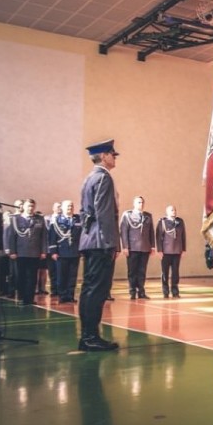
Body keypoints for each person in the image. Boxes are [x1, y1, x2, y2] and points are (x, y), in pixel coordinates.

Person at [77, 139, 121, 351]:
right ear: (103, 156)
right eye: (112, 154)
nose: (114, 157)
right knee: (97, 290)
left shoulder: (89, 178)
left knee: (89, 289)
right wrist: (110, 244)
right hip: (100, 242)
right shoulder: (104, 178)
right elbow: (104, 214)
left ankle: (87, 335)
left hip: (89, 240)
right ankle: (90, 337)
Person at [5, 199, 47, 305]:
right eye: (28, 206)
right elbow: (12, 236)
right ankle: (22, 297)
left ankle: (30, 298)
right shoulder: (15, 219)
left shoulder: (39, 219)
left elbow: (43, 237)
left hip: (34, 252)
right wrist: (12, 251)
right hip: (21, 252)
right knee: (21, 276)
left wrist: (43, 251)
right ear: (23, 207)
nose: (30, 208)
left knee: (32, 277)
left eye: (32, 206)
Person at [120, 196, 155, 299]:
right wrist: (125, 246)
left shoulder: (148, 216)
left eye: (142, 202)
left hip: (145, 247)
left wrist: (152, 246)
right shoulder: (127, 215)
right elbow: (123, 231)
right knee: (132, 271)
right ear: (134, 204)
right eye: (139, 202)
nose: (141, 204)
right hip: (132, 247)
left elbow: (151, 232)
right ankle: (132, 291)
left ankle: (141, 291)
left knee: (142, 271)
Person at [48, 199, 82, 303]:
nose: (69, 207)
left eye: (71, 205)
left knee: (72, 276)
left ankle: (70, 295)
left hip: (75, 251)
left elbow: (81, 236)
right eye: (67, 206)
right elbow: (52, 237)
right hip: (61, 252)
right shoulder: (57, 220)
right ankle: (62, 295)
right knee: (61, 275)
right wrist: (53, 252)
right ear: (62, 208)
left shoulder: (78, 220)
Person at [155, 205, 186, 299]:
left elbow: (183, 236)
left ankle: (175, 291)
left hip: (177, 251)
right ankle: (165, 291)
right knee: (165, 272)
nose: (174, 211)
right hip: (166, 251)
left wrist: (183, 249)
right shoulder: (162, 222)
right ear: (167, 212)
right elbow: (158, 237)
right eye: (172, 210)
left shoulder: (180, 222)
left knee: (175, 272)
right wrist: (159, 250)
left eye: (175, 210)